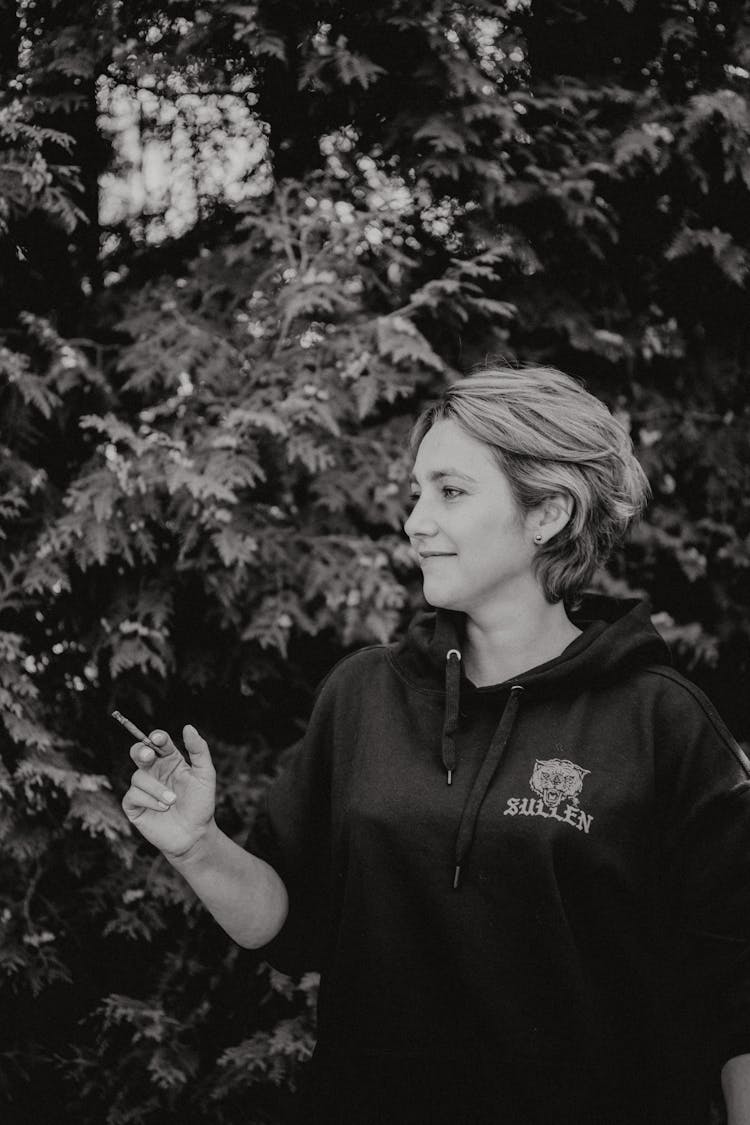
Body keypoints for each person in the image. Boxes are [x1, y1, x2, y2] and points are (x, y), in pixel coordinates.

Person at [122, 365, 750, 1125]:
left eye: (450, 491)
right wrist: (197, 846)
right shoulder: (363, 696)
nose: (416, 521)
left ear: (547, 512)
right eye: (417, 491)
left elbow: (734, 998)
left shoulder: (663, 723)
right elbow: (288, 921)